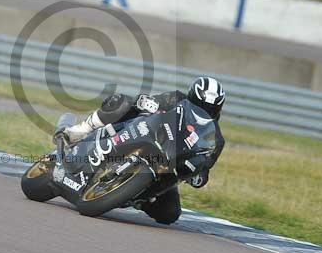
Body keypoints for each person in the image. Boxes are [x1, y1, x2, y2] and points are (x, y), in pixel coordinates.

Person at [59, 76, 226, 224]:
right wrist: (145, 102)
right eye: (199, 105)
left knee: (170, 214)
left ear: (217, 110)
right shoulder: (176, 98)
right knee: (121, 102)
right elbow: (151, 101)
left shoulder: (215, 140)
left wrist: (198, 176)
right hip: (144, 133)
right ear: (191, 97)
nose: (202, 111)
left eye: (209, 109)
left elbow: (205, 168)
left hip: (166, 166)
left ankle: (136, 196)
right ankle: (80, 130)